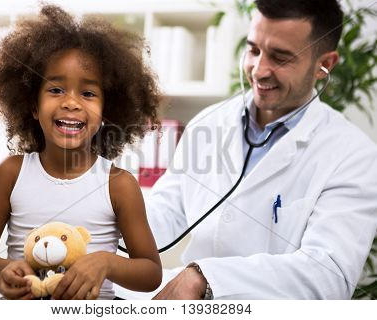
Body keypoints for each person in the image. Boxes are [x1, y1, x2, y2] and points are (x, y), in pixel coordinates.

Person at [118, 0, 377, 299]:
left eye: (281, 57)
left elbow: (327, 275)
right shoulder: (209, 123)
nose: (259, 70)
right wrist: (100, 225)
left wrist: (207, 277)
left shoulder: (354, 157)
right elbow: (167, 212)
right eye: (254, 50)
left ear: (325, 65)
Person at [0, 5, 162, 300]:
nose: (72, 103)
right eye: (56, 90)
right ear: (32, 105)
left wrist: (107, 263)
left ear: (107, 111)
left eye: (88, 93)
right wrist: (3, 270)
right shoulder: (10, 173)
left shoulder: (119, 185)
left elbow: (151, 273)